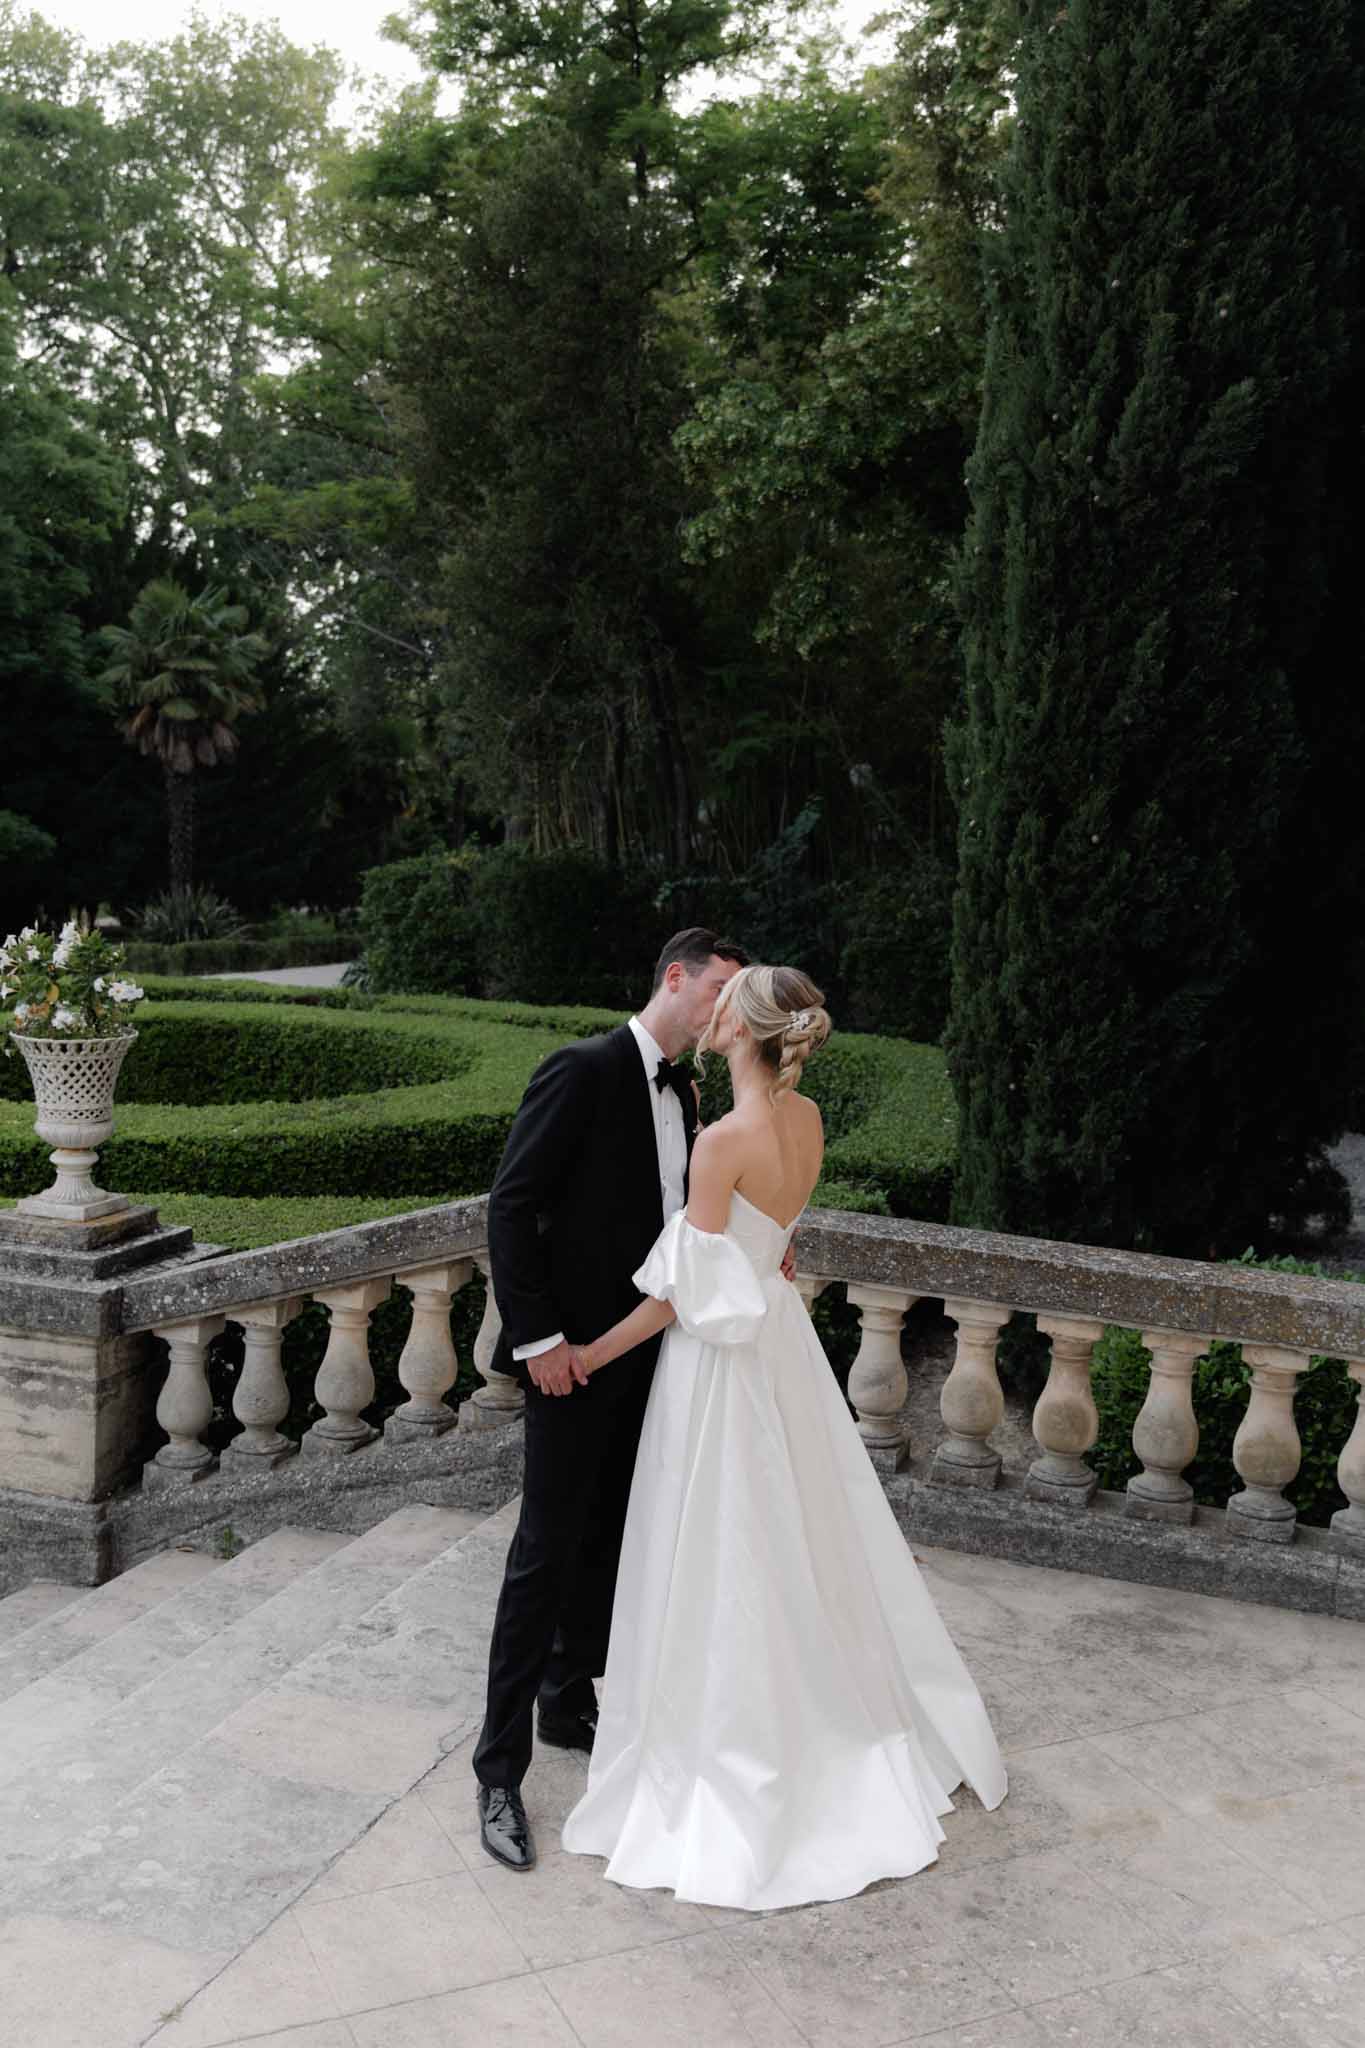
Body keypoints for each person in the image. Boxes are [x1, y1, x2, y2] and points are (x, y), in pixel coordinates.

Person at [559, 963, 1008, 1910]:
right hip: (781, 1344)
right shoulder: (803, 1123)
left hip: (722, 1365)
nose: (710, 1009)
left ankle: (737, 1736)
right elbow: (769, 1243)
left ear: (741, 1029)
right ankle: (816, 1710)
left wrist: (595, 1350)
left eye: (726, 1002)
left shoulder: (720, 1142)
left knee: (726, 1543)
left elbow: (683, 1290)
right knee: (798, 1534)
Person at [473, 927, 752, 1872]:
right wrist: (540, 1341)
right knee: (542, 1553)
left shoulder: (691, 1088)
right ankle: (497, 1772)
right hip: (574, 1358)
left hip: (656, 1352)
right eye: (718, 989)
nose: (725, 1010)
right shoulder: (584, 1069)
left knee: (615, 1537)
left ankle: (568, 1700)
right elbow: (510, 1205)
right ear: (674, 977)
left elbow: (687, 1220)